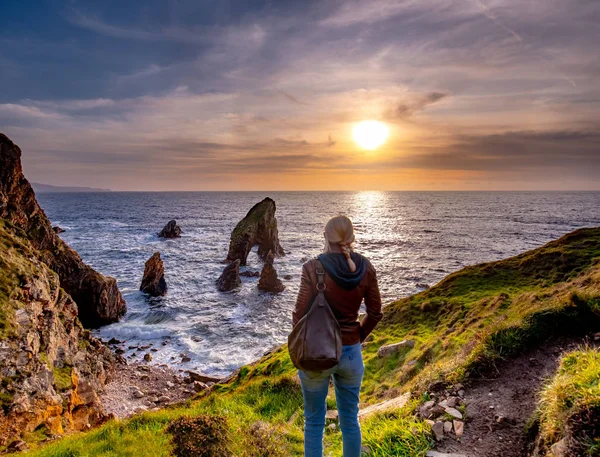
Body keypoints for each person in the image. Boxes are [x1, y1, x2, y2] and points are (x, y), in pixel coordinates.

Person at [293, 215, 383, 457]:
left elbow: (298, 315)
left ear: (325, 237)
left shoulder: (312, 268)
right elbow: (375, 313)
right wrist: (356, 340)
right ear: (351, 239)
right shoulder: (366, 267)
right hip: (352, 355)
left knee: (313, 424)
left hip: (316, 355)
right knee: (350, 422)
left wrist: (301, 347)